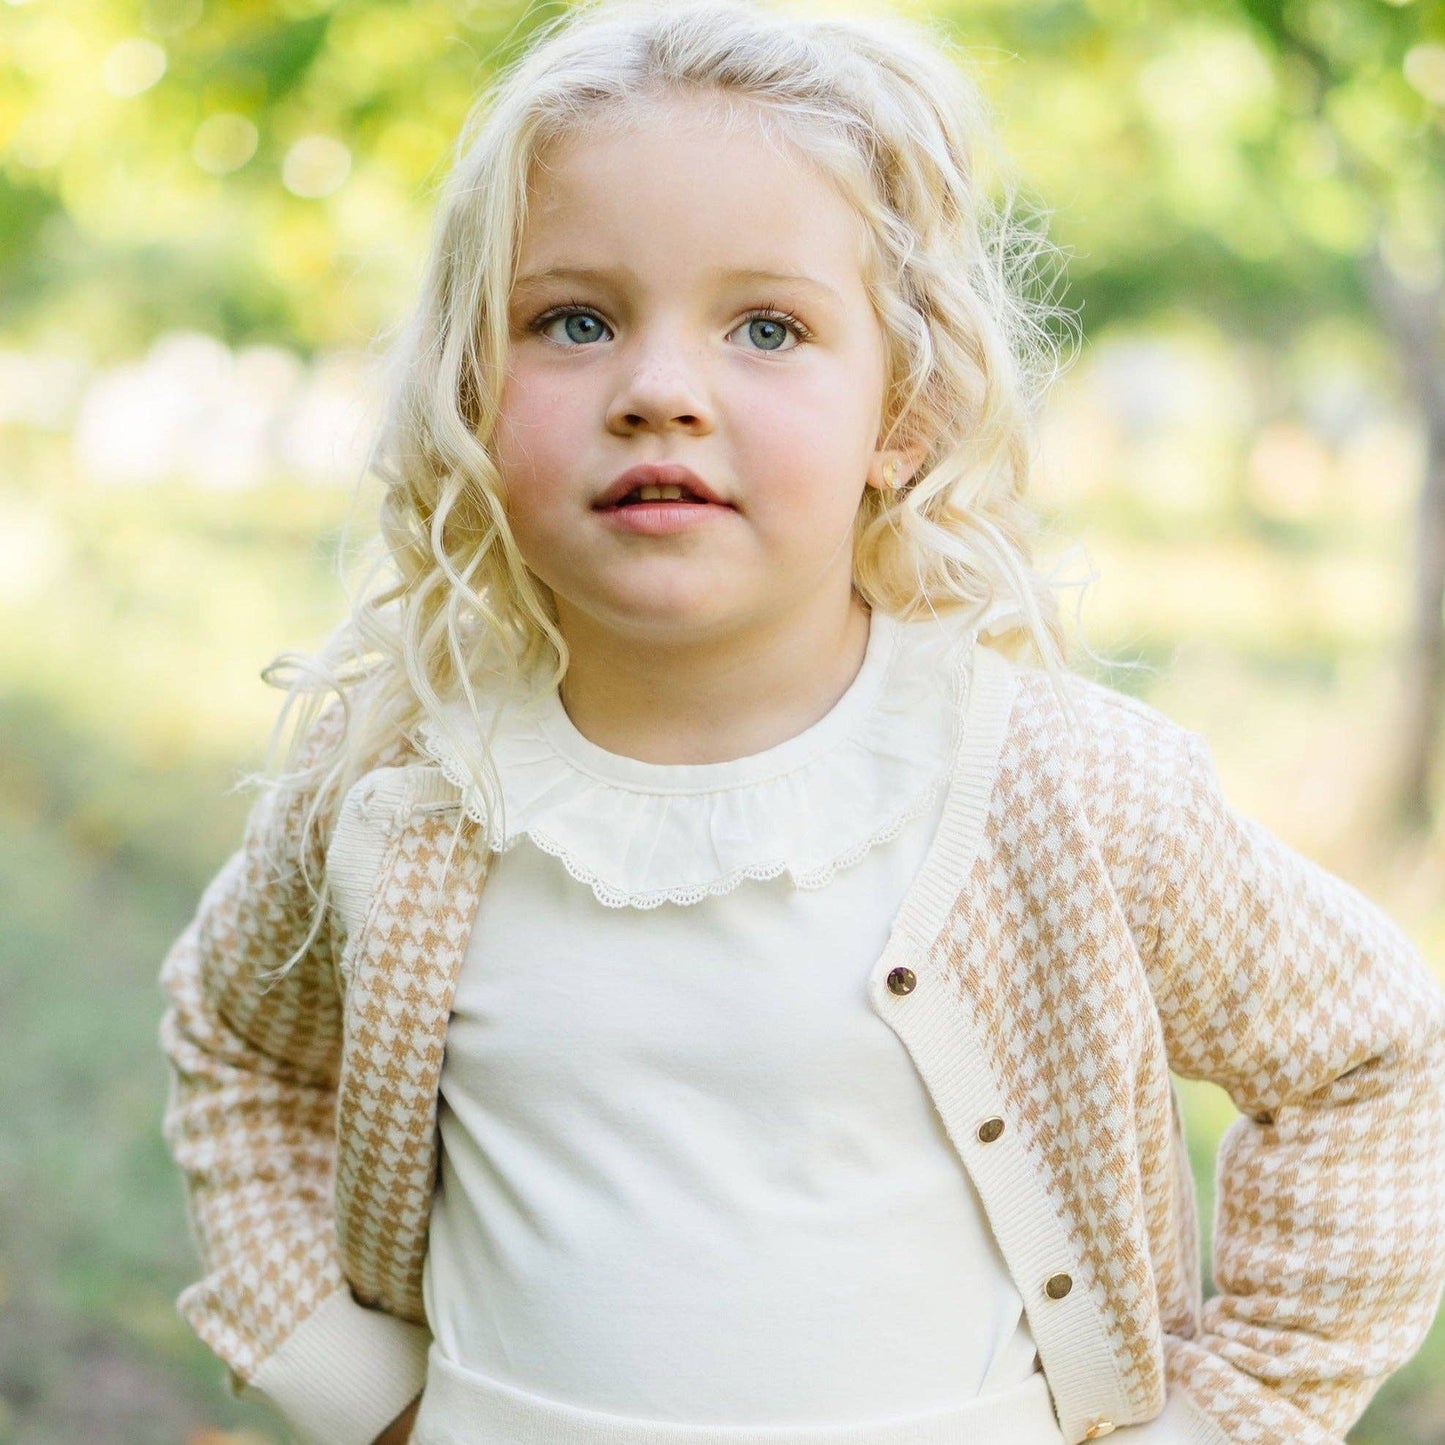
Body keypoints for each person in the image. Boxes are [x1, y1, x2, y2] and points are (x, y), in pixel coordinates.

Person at [157, 1, 1445, 1442]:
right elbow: (239, 1043)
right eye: (571, 320)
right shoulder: (403, 791)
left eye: (766, 327)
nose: (658, 392)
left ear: (904, 407)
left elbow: (1367, 1055)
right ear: (470, 380)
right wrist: (353, 1383)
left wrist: (1233, 1412)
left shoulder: (1057, 786)